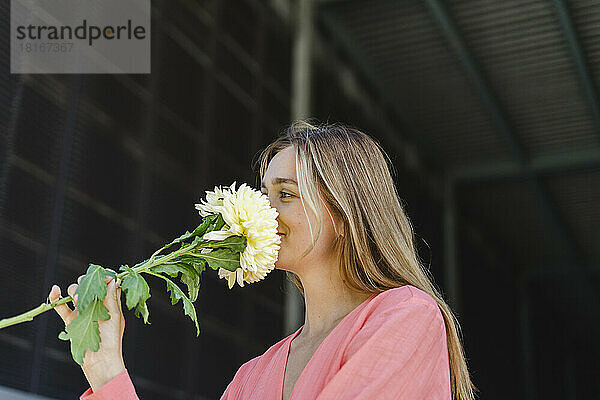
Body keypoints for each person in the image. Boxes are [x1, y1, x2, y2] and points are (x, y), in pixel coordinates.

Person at [48, 120, 478, 400]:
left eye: (285, 195)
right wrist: (106, 369)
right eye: (263, 194)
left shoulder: (406, 318)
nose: (264, 212)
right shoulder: (253, 375)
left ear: (345, 215)